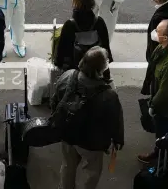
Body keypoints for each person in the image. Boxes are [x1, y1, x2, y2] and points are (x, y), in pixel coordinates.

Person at [51, 46, 124, 189]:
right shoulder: (108, 95)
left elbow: (55, 102)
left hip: (68, 133)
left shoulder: (68, 76)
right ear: (101, 69)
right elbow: (115, 120)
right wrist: (117, 139)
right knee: (91, 172)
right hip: (92, 142)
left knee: (67, 165)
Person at [139, 19, 168, 164]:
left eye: (157, 31)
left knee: (163, 134)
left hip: (166, 106)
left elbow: (165, 92)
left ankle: (161, 161)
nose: (154, 32)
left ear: (165, 38)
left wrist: (152, 106)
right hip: (161, 96)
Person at [54, 0, 113, 82]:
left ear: (75, 4)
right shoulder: (99, 22)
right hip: (97, 69)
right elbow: (105, 46)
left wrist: (58, 64)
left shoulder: (70, 25)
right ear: (92, 4)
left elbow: (62, 50)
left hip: (75, 71)